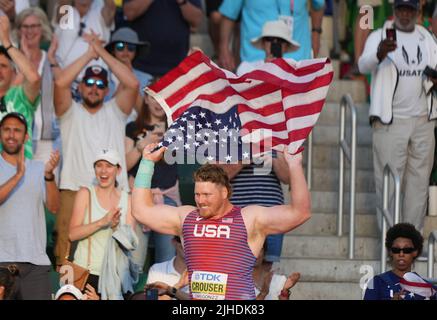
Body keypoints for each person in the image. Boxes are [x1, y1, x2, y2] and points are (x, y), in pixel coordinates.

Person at [132, 143, 311, 300]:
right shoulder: (188, 218)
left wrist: (294, 165)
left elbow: (300, 212)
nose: (200, 200)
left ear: (224, 193)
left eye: (207, 195)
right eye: (197, 194)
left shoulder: (249, 219)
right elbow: (141, 211)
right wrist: (147, 163)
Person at [53, 31, 138, 266]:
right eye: (88, 83)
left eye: (100, 84)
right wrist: (89, 54)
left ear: (108, 89)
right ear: (79, 87)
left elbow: (132, 83)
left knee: (115, 257)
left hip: (113, 191)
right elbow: (60, 82)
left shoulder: (115, 110)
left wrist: (100, 52)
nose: (94, 88)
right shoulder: (70, 111)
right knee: (66, 260)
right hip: (73, 189)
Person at [358, 0, 437, 231]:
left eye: (410, 10)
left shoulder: (427, 37)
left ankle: (412, 242)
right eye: (401, 9)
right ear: (394, 10)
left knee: (419, 185)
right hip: (389, 122)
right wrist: (379, 54)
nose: (405, 14)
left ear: (417, 12)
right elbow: (362, 65)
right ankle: (391, 245)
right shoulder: (380, 34)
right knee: (388, 185)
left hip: (423, 120)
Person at [0, 112, 60, 300]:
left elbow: (54, 207)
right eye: (7, 130)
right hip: (1, 263)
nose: (11, 135)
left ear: (26, 137)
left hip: (36, 264)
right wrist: (18, 175)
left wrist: (49, 176)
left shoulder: (37, 168)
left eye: (17, 130)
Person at [68, 149, 136, 296]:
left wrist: (115, 227)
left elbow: (129, 244)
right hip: (85, 273)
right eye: (99, 165)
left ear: (118, 170)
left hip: (115, 276)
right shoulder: (85, 193)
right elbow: (72, 234)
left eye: (109, 165)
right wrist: (102, 222)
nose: (103, 170)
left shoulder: (128, 200)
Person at [125, 93, 180, 265]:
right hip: (138, 200)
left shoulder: (175, 128)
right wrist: (142, 146)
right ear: (146, 98)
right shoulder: (133, 127)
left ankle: (165, 292)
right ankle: (132, 293)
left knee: (167, 260)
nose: (158, 103)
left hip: (167, 200)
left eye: (162, 98)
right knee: (134, 261)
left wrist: (163, 141)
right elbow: (124, 165)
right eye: (154, 97)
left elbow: (171, 160)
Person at [12, 7, 61, 168]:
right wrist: (25, 59)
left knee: (47, 189)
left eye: (34, 26)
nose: (29, 31)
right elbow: (9, 94)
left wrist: (52, 58)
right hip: (16, 139)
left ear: (42, 29)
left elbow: (62, 86)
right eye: (25, 26)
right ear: (18, 31)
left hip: (47, 138)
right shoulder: (11, 60)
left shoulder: (51, 58)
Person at [218, 0, 324, 73]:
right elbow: (229, 12)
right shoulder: (246, 68)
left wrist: (316, 32)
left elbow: (319, 4)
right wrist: (224, 48)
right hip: (255, 62)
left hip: (298, 61)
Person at [123, 0, 203, 77]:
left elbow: (197, 21)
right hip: (141, 67)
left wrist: (182, 1)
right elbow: (129, 13)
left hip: (176, 67)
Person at [0, 15, 41, 160]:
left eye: (3, 66)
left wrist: (6, 42)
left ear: (14, 72)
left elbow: (34, 78)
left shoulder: (21, 96)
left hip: (22, 173)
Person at [364, 222, 437, 300]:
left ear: (415, 252)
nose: (401, 254)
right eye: (396, 250)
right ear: (390, 252)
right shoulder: (376, 283)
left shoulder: (426, 288)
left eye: (407, 250)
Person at [105, 26, 152, 120]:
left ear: (135, 52)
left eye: (131, 48)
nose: (125, 52)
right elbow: (104, 114)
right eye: (120, 47)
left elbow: (145, 116)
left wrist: (130, 76)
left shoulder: (147, 79)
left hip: (136, 130)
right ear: (113, 50)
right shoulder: (102, 77)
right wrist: (125, 77)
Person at [146, 236, 189, 300]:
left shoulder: (205, 272)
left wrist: (170, 290)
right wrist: (177, 286)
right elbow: (151, 299)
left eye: (192, 242)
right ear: (174, 242)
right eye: (182, 241)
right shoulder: (156, 269)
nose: (187, 245)